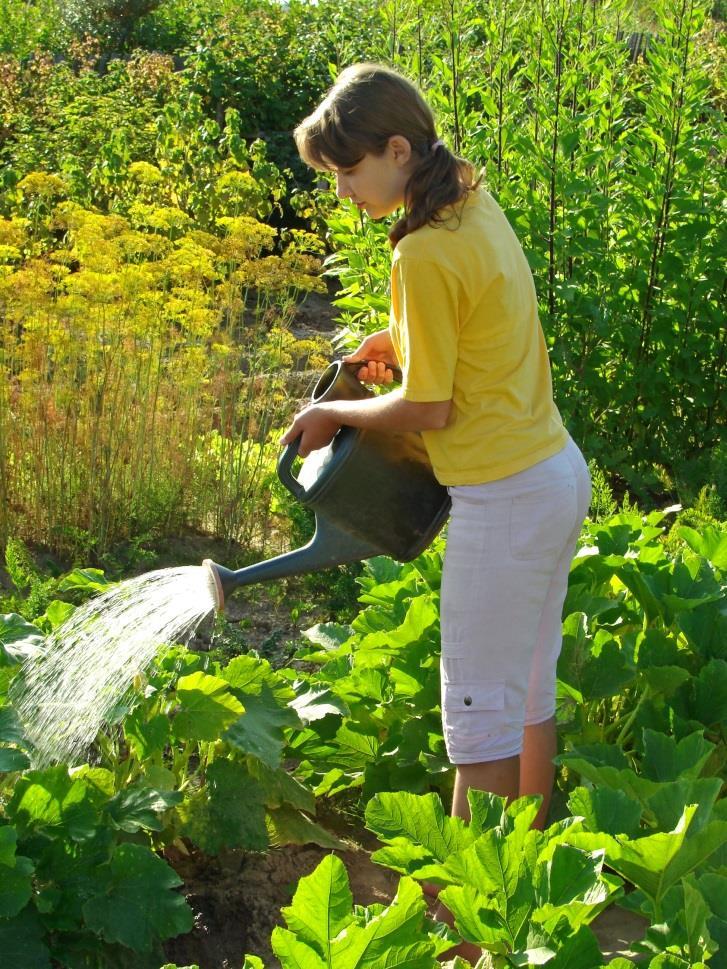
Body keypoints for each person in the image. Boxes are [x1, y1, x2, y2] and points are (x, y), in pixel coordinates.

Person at [282, 59, 591, 907]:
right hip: (553, 475)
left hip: (502, 500)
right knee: (524, 698)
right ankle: (523, 894)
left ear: (393, 147)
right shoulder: (464, 203)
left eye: (347, 170)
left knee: (477, 727)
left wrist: (338, 416)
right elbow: (465, 319)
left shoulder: (420, 247)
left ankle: (469, 933)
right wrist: (395, 338)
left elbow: (427, 407)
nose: (342, 188)